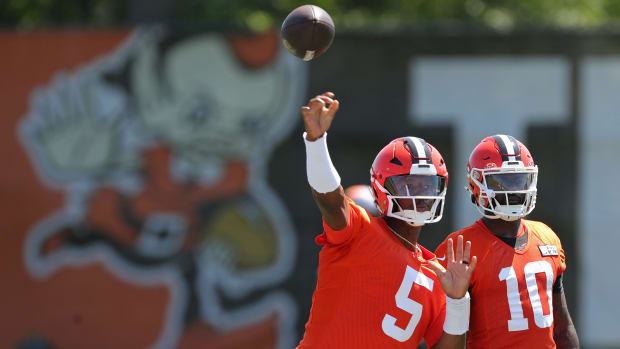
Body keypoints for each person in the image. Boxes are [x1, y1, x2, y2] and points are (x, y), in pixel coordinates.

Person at [296, 91, 477, 349]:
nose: (421, 195)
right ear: (381, 189)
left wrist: (459, 302)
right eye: (409, 185)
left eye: (427, 185)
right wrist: (316, 142)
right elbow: (331, 200)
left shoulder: (439, 275)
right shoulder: (360, 231)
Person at [435, 135, 580, 349]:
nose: (513, 191)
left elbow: (562, 327)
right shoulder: (460, 246)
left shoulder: (547, 237)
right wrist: (457, 301)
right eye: (502, 181)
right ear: (476, 184)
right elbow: (442, 339)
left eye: (519, 180)